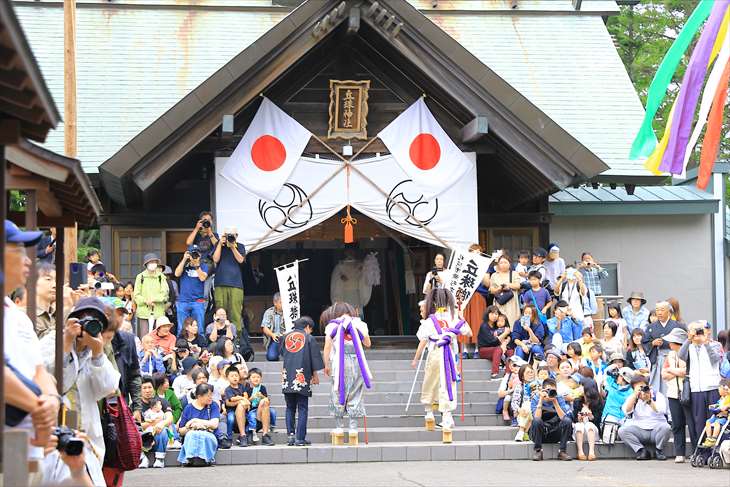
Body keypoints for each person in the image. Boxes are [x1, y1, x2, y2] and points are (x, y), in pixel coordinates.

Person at [4, 221, 61, 468]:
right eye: (18, 250)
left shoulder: (17, 315)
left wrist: (51, 400)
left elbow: (39, 371)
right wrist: (39, 408)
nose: (28, 261)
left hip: (30, 451)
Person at [40, 297, 121, 461]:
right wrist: (66, 344)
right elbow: (49, 381)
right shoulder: (52, 341)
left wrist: (98, 353)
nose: (87, 326)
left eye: (95, 322)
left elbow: (108, 388)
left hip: (87, 431)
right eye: (83, 318)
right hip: (55, 429)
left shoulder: (96, 351)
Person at [323, 302, 374, 442]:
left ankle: (339, 428)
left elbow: (327, 347)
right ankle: (353, 429)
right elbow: (368, 344)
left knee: (337, 391)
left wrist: (325, 364)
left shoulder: (332, 325)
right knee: (356, 393)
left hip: (339, 363)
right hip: (357, 363)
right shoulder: (360, 324)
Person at [281, 316, 324, 446]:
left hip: (287, 376)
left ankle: (291, 436)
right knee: (303, 407)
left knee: (290, 407)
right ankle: (300, 438)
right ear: (307, 327)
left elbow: (282, 353)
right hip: (302, 376)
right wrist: (315, 375)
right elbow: (314, 359)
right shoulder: (309, 338)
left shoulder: (286, 337)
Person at [679, 320, 722, 451]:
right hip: (696, 389)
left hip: (712, 387)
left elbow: (715, 360)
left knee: (713, 420)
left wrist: (705, 342)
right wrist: (688, 339)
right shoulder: (689, 346)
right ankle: (701, 451)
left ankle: (714, 450)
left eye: (701, 330)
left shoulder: (714, 344)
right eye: (696, 331)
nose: (698, 334)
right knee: (699, 422)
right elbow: (681, 355)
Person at [618, 375, 672, 460]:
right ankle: (642, 451)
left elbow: (661, 410)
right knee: (622, 431)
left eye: (643, 387)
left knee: (666, 427)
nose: (642, 390)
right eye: (639, 388)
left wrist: (649, 401)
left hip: (656, 428)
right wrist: (635, 396)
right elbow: (626, 411)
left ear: (648, 386)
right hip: (639, 429)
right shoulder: (632, 397)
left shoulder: (658, 396)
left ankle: (658, 450)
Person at [644, 301, 686, 395]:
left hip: (675, 358)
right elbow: (645, 342)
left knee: (673, 384)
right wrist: (653, 343)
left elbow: (685, 341)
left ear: (669, 312)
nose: (659, 312)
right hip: (659, 358)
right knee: (657, 385)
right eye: (657, 310)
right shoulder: (651, 327)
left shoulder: (678, 325)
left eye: (662, 310)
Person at [661, 327, 690, 463]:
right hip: (673, 393)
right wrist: (676, 371)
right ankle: (680, 453)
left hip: (688, 392)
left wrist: (672, 370)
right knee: (677, 424)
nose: (670, 344)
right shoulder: (670, 355)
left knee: (691, 423)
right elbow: (664, 374)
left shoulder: (688, 353)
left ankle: (696, 450)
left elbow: (686, 372)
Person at [529, 377, 573, 461]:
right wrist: (541, 400)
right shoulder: (536, 398)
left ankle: (562, 451)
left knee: (567, 421)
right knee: (536, 421)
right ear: (543, 389)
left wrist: (555, 402)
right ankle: (538, 451)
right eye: (548, 390)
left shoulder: (559, 398)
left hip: (555, 431)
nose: (550, 392)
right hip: (540, 433)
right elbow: (536, 417)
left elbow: (564, 418)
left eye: (553, 390)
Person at [212, 227, 246, 334]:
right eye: (228, 235)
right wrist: (219, 244)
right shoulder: (219, 245)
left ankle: (236, 339)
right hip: (220, 283)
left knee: (235, 312)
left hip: (236, 284)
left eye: (232, 235)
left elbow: (240, 260)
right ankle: (220, 335)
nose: (230, 237)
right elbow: (215, 259)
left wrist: (232, 247)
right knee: (220, 312)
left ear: (236, 236)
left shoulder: (240, 246)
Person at [177, 383, 220, 467]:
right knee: (193, 434)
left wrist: (196, 421)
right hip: (191, 433)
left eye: (211, 395)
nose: (211, 397)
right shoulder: (188, 408)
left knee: (203, 434)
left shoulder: (213, 405)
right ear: (199, 396)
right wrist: (192, 427)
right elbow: (181, 431)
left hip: (209, 435)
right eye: (208, 395)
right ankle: (191, 458)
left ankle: (205, 458)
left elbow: (214, 424)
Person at [186, 211, 220, 306]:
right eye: (205, 220)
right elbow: (188, 243)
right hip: (197, 266)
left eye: (209, 220)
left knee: (205, 294)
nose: (207, 222)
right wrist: (197, 228)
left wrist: (209, 232)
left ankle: (204, 312)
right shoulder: (197, 235)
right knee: (196, 291)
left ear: (212, 222)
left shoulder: (214, 235)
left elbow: (217, 245)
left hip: (208, 267)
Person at [174, 244, 209, 336]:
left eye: (196, 253)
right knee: (181, 328)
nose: (194, 255)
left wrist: (197, 266)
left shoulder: (203, 265)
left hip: (198, 301)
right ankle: (181, 347)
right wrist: (184, 259)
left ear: (200, 255)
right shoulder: (184, 265)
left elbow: (202, 278)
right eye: (192, 253)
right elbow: (177, 274)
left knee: (199, 328)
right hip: (183, 301)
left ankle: (201, 347)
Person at [133, 253, 169, 337]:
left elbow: (165, 293)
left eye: (154, 262)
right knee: (145, 336)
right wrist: (146, 301)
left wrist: (153, 299)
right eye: (151, 262)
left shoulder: (161, 276)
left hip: (158, 311)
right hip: (144, 312)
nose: (153, 264)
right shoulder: (140, 277)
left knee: (158, 336)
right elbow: (136, 295)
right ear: (146, 264)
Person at [242, 368, 276, 445]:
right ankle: (253, 431)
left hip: (263, 408)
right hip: (253, 409)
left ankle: (271, 426)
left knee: (273, 411)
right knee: (251, 416)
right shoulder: (247, 389)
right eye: (253, 377)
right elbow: (247, 401)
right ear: (249, 379)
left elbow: (267, 399)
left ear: (261, 378)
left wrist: (262, 396)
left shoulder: (262, 387)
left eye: (258, 377)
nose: (256, 379)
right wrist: (252, 397)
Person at [573, 377, 603, 461]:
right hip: (579, 433)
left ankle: (591, 452)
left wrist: (591, 416)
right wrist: (578, 418)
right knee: (579, 425)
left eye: (581, 386)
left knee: (589, 424)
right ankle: (580, 452)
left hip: (593, 433)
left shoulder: (599, 402)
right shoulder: (577, 401)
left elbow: (599, 421)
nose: (579, 388)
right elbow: (574, 419)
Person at [477, 305, 510, 378]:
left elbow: (508, 334)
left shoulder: (497, 326)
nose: (494, 316)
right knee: (498, 349)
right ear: (487, 314)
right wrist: (505, 334)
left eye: (496, 314)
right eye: (492, 313)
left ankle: (507, 373)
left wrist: (506, 340)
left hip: (497, 349)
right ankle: (494, 373)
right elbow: (492, 342)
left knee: (510, 351)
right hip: (484, 350)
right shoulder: (484, 326)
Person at [489, 255, 521, 326]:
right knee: (499, 322)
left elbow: (518, 285)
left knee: (512, 321)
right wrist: (499, 288)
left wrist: (508, 285)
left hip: (511, 303)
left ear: (509, 263)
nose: (503, 264)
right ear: (498, 264)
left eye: (505, 262)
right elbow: (491, 290)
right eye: (501, 263)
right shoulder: (494, 275)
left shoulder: (514, 274)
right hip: (499, 302)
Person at [223, 366, 250, 447]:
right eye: (232, 376)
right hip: (231, 410)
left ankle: (244, 436)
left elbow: (245, 394)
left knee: (251, 418)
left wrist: (244, 398)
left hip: (242, 410)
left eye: (236, 376)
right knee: (230, 419)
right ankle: (229, 437)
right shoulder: (228, 389)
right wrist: (242, 399)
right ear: (227, 378)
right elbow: (232, 399)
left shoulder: (241, 386)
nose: (235, 378)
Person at [511, 364, 538, 440]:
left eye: (532, 372)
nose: (530, 374)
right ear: (522, 376)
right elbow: (514, 402)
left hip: (536, 411)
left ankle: (522, 431)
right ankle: (525, 433)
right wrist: (519, 410)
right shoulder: (519, 386)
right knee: (526, 406)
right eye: (528, 373)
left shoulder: (537, 385)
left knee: (529, 405)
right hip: (523, 413)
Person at [702, 378, 730, 447]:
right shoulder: (721, 398)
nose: (718, 391)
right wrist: (714, 406)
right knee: (708, 422)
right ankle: (709, 437)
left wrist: (726, 406)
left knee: (717, 423)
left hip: (723, 417)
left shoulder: (728, 397)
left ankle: (714, 438)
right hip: (716, 415)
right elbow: (718, 404)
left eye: (719, 389)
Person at [497, 356, 525, 422]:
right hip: (511, 396)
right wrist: (511, 390)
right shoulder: (508, 376)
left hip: (521, 396)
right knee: (509, 398)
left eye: (515, 365)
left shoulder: (524, 375)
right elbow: (500, 394)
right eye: (511, 364)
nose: (512, 366)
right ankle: (506, 411)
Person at [33, 262, 57, 338]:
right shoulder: (25, 315)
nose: (55, 285)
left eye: (57, 281)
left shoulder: (56, 314)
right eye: (48, 279)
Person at [261, 292, 285, 361]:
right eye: (281, 302)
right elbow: (264, 328)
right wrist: (272, 335)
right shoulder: (269, 312)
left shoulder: (290, 312)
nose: (284, 305)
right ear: (275, 303)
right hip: (275, 338)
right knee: (271, 357)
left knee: (290, 355)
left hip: (287, 338)